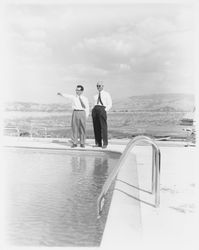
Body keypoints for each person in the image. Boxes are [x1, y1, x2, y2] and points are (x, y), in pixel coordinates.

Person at [92, 81, 112, 148]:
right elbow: (94, 103)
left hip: (102, 109)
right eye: (97, 86)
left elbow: (110, 104)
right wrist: (93, 110)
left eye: (100, 86)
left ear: (103, 86)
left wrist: (104, 110)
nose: (98, 87)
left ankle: (105, 143)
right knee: (96, 127)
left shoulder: (106, 94)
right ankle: (98, 143)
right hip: (95, 110)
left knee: (103, 127)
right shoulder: (95, 95)